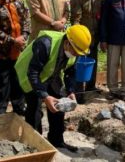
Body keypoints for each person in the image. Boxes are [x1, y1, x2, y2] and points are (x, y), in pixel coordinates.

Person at [15, 25, 91, 153]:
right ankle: (35, 145)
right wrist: (45, 96)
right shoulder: (45, 44)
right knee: (34, 110)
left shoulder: (76, 48)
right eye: (76, 52)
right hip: (29, 75)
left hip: (50, 73)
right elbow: (33, 73)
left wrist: (71, 90)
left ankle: (56, 140)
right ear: (67, 43)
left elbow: (70, 71)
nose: (77, 55)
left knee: (60, 104)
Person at [70, 0, 104, 103]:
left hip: (95, 37)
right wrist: (78, 38)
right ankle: (79, 92)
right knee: (80, 65)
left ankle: (91, 87)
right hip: (82, 39)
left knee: (93, 63)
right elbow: (75, 20)